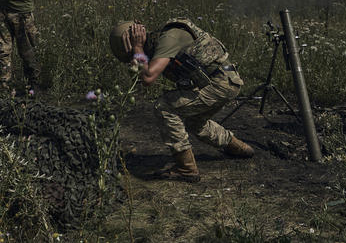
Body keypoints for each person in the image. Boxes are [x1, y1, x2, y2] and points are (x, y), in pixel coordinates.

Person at [109, 17, 255, 182]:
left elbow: (148, 78)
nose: (135, 59)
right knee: (195, 123)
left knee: (164, 106)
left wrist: (137, 47)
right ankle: (239, 148)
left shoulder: (168, 38)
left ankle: (186, 168)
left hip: (220, 83)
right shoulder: (160, 43)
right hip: (220, 82)